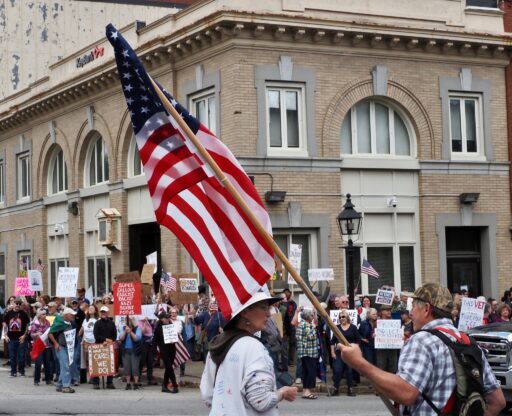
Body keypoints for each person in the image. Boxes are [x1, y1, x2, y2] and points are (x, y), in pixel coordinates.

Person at [339, 283, 505, 416]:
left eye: (413, 307)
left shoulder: (421, 341)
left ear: (426, 308)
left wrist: (359, 363)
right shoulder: (469, 341)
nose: (410, 313)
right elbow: (498, 401)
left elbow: (406, 393)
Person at [200, 290, 297, 415]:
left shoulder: (218, 344)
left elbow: (207, 395)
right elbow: (261, 401)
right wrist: (283, 392)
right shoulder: (254, 348)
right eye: (263, 308)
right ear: (245, 312)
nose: (268, 313)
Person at [331, 309, 360, 397]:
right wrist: (332, 352)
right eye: (340, 317)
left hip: (350, 352)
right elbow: (332, 342)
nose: (341, 318)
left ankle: (350, 389)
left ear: (347, 317)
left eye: (343, 316)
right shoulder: (337, 327)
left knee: (349, 371)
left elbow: (358, 340)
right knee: (337, 370)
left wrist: (355, 350)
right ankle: (336, 388)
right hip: (339, 352)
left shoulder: (353, 327)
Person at [48, 308, 77, 393]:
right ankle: (66, 386)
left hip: (69, 348)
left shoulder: (70, 323)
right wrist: (56, 344)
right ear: (66, 315)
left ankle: (60, 385)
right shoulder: (59, 323)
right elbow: (50, 333)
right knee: (65, 366)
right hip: (61, 347)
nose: (73, 316)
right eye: (71, 314)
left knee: (65, 366)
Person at [3, 298, 30, 377]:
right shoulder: (8, 313)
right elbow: (5, 325)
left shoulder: (24, 314)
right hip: (11, 338)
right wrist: (5, 335)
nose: (18, 305)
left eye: (19, 303)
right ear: (13, 304)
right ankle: (13, 372)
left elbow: (28, 325)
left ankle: (22, 372)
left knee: (21, 356)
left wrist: (24, 335)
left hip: (21, 338)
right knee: (12, 356)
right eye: (16, 303)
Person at [296, 308, 318, 400]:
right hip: (309, 352)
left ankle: (305, 391)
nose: (313, 317)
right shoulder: (307, 325)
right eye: (312, 315)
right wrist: (314, 327)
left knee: (305, 372)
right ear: (308, 316)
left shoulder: (301, 324)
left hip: (303, 352)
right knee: (311, 372)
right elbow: (311, 336)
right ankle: (308, 391)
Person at [92, 305, 117, 389]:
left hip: (109, 346)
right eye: (102, 312)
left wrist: (110, 340)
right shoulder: (97, 323)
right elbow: (96, 335)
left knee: (109, 364)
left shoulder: (112, 323)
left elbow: (115, 335)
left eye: (104, 312)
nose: (103, 313)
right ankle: (96, 382)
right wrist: (105, 340)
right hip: (99, 345)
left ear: (108, 313)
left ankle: (109, 382)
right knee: (97, 364)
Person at [154, 311, 179, 393]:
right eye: (166, 317)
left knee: (168, 368)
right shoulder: (158, 328)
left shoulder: (170, 325)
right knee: (169, 367)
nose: (168, 319)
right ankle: (175, 385)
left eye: (168, 317)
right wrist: (156, 352)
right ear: (161, 319)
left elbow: (175, 337)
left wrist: (173, 340)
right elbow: (155, 340)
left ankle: (164, 386)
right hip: (164, 350)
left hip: (172, 349)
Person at [119, 315, 142, 390]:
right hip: (125, 350)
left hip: (134, 351)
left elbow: (137, 339)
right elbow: (121, 338)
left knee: (135, 368)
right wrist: (125, 332)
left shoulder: (137, 328)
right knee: (127, 368)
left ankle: (135, 383)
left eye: (128, 320)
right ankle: (128, 383)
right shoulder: (123, 328)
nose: (127, 321)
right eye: (126, 320)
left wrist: (131, 332)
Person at [30, 308, 52, 385]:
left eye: (45, 314)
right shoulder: (34, 323)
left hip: (47, 345)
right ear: (39, 315)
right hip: (38, 346)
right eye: (43, 314)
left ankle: (48, 380)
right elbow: (31, 334)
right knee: (38, 363)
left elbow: (50, 332)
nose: (45, 315)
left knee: (47, 363)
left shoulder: (47, 323)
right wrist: (36, 334)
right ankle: (36, 380)